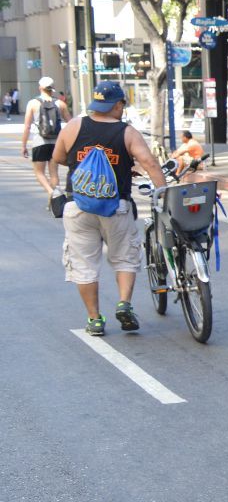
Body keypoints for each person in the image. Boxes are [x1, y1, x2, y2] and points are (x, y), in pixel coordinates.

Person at [50, 80, 167, 336]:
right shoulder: (127, 132)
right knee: (125, 257)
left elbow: (58, 158)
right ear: (118, 105)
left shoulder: (74, 126)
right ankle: (124, 303)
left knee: (84, 264)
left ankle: (94, 319)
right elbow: (150, 163)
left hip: (78, 206)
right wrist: (163, 194)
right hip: (117, 207)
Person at [22, 76, 72, 200]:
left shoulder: (33, 103)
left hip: (40, 142)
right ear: (52, 88)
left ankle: (52, 193)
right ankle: (55, 199)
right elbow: (71, 124)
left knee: (39, 172)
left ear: (40, 88)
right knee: (53, 172)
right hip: (56, 142)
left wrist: (23, 145)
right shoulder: (60, 104)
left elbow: (27, 126)